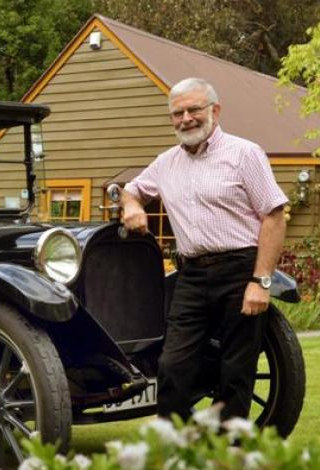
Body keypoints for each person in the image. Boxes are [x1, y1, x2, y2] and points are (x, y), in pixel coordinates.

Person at [120, 77, 288, 421]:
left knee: (235, 370)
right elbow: (131, 189)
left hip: (240, 270)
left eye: (193, 109)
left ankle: (228, 457)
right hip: (192, 275)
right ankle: (177, 450)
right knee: (172, 366)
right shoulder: (166, 162)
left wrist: (261, 282)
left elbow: (274, 216)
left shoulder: (244, 154)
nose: (186, 119)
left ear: (215, 110)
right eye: (177, 113)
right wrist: (133, 206)